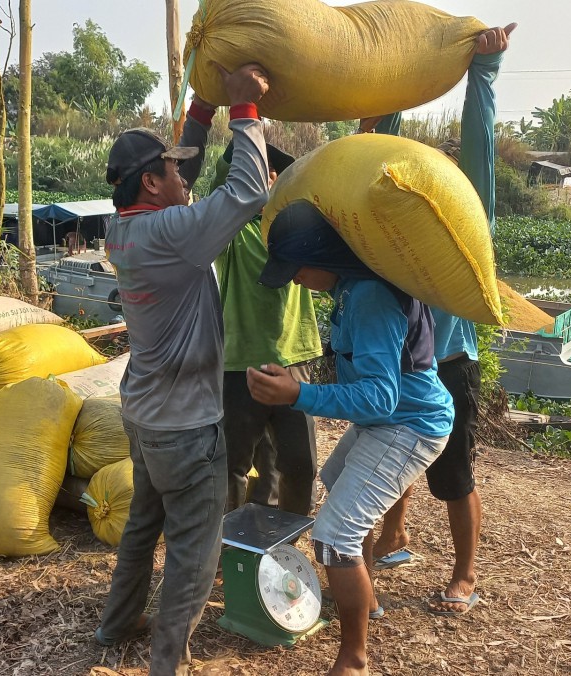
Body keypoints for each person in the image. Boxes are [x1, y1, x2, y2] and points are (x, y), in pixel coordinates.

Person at [92, 62, 271, 676]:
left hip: (145, 416)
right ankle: (169, 663)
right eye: (171, 169)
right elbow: (247, 193)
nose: (181, 176)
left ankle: (114, 626)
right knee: (193, 552)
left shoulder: (125, 228)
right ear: (150, 182)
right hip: (185, 427)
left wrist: (199, 112)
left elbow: (181, 186)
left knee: (144, 524)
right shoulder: (172, 235)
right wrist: (244, 109)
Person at [247, 202, 454, 676]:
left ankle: (353, 659)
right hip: (392, 418)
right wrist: (296, 388)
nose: (296, 281)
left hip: (410, 424)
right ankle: (368, 601)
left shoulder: (370, 298)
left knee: (334, 538)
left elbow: (379, 398)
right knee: (336, 480)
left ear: (323, 257)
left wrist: (297, 393)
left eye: (296, 270)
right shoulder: (350, 289)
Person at [365, 23, 515, 617]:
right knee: (388, 455)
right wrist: (403, 80)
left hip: (450, 362)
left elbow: (479, 148)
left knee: (452, 474)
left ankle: (465, 573)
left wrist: (484, 74)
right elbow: (373, 153)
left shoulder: (468, 223)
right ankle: (395, 536)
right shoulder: (391, 229)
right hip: (398, 358)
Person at [210, 141, 322, 516]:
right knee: (231, 467)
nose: (267, 184)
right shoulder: (233, 232)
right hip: (241, 363)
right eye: (259, 176)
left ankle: (282, 544)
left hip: (294, 357)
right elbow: (218, 184)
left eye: (273, 177)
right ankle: (226, 548)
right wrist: (245, 134)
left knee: (299, 465)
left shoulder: (298, 229)